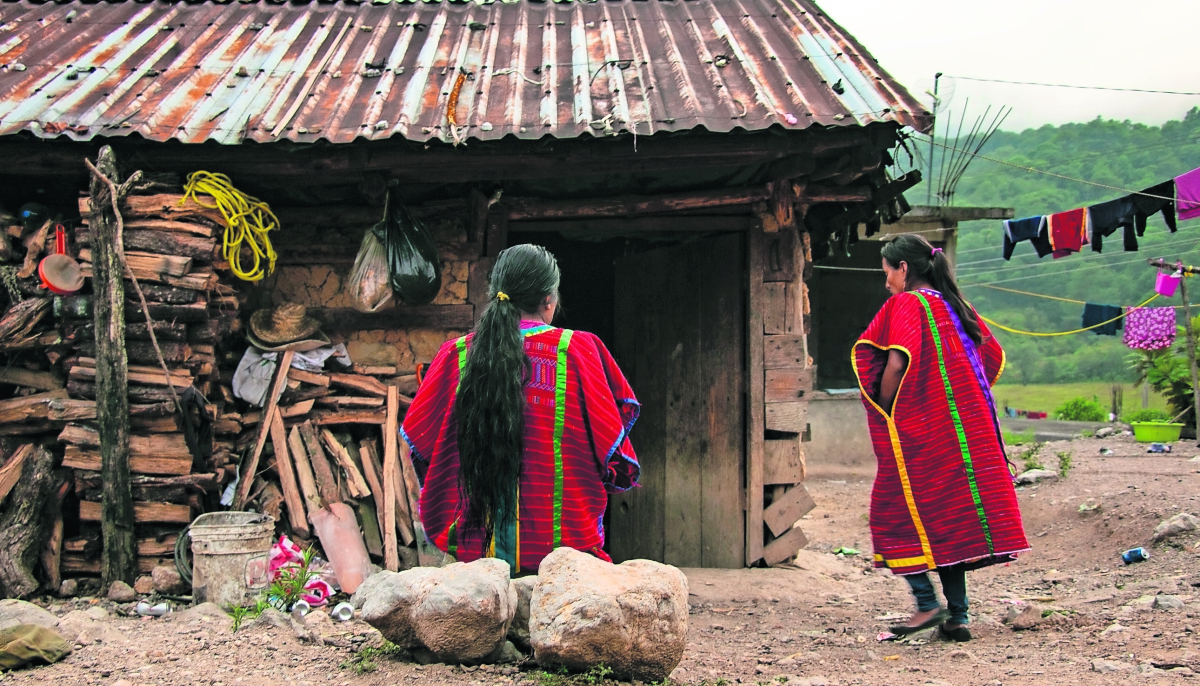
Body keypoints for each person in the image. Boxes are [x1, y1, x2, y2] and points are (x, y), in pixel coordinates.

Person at [401, 244, 640, 574]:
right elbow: (612, 449)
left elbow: (423, 445)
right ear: (548, 301)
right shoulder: (579, 351)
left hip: (473, 559)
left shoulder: (454, 356)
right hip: (564, 557)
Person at [853, 234, 1029, 642]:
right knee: (946, 517)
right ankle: (959, 617)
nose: (887, 284)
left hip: (922, 431)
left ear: (903, 269)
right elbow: (989, 355)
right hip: (964, 435)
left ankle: (927, 604)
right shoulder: (955, 305)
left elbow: (896, 362)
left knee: (892, 511)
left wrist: (885, 410)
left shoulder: (906, 305)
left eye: (887, 274)